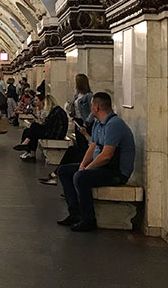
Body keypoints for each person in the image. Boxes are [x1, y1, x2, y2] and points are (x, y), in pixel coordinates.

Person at [56, 92, 136, 232]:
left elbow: (106, 155)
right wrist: (82, 165)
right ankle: (75, 214)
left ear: (97, 107)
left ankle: (88, 219)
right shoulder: (98, 124)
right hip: (102, 167)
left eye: (92, 104)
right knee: (64, 171)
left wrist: (87, 169)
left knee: (80, 177)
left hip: (116, 172)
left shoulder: (114, 125)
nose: (90, 107)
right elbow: (92, 148)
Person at [13, 94, 69, 161]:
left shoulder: (56, 111)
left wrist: (40, 123)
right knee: (30, 130)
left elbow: (48, 124)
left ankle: (26, 144)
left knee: (34, 127)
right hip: (54, 132)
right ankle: (30, 152)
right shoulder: (56, 110)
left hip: (56, 135)